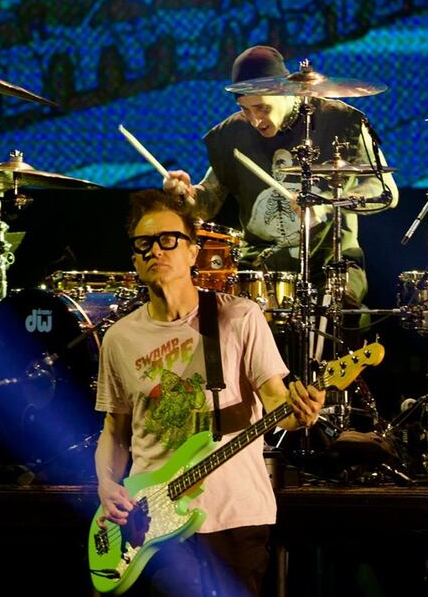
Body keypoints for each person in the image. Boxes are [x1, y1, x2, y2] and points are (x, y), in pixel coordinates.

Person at [94, 190, 325, 596]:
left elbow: (276, 403)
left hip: (235, 516)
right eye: (143, 244)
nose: (155, 251)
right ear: (133, 258)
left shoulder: (238, 316)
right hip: (151, 524)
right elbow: (116, 429)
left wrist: (300, 412)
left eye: (169, 239)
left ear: (193, 251)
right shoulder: (120, 337)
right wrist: (106, 485)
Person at [163, 44, 399, 308]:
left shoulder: (344, 121)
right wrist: (185, 196)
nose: (254, 120)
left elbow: (385, 191)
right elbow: (206, 205)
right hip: (257, 269)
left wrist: (326, 203)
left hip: (332, 266)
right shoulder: (230, 134)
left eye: (262, 108)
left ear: (288, 91)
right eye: (245, 109)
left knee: (336, 315)